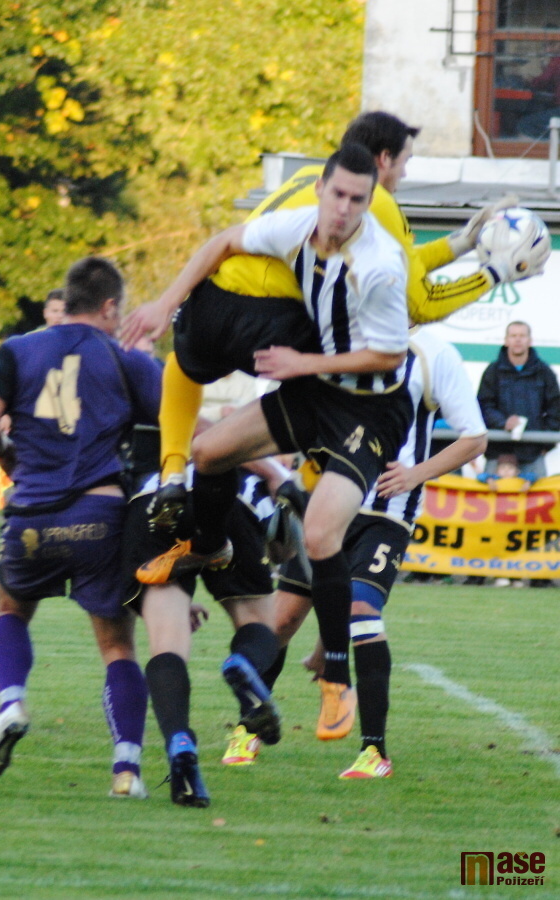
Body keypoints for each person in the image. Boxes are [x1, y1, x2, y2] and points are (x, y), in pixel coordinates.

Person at [119, 111, 532, 526]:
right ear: (383, 159)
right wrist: (494, 274)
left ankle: (173, 472)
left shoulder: (314, 179)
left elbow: (401, 267)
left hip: (215, 298)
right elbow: (420, 303)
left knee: (182, 365)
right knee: (350, 376)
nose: (405, 173)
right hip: (275, 317)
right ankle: (306, 481)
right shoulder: (374, 201)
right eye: (405, 161)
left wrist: (461, 243)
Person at [133, 143, 414, 743]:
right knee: (209, 454)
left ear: (370, 203)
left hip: (370, 409)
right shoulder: (299, 225)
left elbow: (389, 356)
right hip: (315, 388)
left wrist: (300, 362)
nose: (344, 209)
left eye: (358, 200)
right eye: (337, 194)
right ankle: (208, 546)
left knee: (320, 534)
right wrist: (165, 302)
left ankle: (336, 680)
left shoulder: (382, 264)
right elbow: (222, 243)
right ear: (320, 190)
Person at [0, 256, 162, 798]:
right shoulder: (127, 357)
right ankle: (126, 770)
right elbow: (183, 422)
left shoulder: (18, 349)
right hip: (99, 516)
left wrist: (9, 456)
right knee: (117, 646)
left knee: (11, 608)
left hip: (33, 517)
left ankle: (11, 703)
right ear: (109, 306)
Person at [260, 325, 487, 776]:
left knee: (362, 610)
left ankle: (374, 752)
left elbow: (475, 438)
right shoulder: (335, 336)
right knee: (280, 622)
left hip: (387, 512)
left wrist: (415, 473)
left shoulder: (434, 352)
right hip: (325, 505)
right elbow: (285, 410)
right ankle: (249, 728)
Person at [122, 427, 282, 803]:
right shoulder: (274, 468)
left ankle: (180, 742)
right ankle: (243, 663)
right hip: (233, 504)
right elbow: (284, 548)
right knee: (258, 622)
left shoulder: (187, 441)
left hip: (156, 500)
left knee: (167, 643)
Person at [477, 321, 560, 481]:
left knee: (539, 498)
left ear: (530, 340)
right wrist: (503, 422)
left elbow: (556, 409)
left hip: (533, 455)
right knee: (493, 498)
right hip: (497, 454)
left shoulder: (544, 372)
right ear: (506, 340)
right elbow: (483, 406)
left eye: (522, 336)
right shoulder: (492, 371)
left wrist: (545, 445)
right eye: (513, 335)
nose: (518, 340)